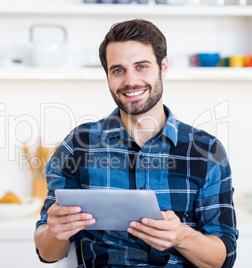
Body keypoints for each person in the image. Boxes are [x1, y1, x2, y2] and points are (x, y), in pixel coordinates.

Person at [34, 19, 238, 268]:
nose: (130, 81)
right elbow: (48, 253)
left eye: (141, 66)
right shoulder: (78, 145)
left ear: (163, 67)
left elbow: (223, 259)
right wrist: (56, 231)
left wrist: (182, 236)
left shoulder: (206, 151)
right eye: (118, 70)